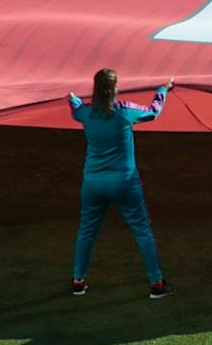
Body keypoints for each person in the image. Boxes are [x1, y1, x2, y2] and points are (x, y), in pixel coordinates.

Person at [67, 69, 172, 300]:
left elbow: (75, 108)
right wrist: (163, 90)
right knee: (142, 231)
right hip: (124, 183)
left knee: (86, 232)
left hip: (93, 183)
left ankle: (78, 281)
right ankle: (157, 283)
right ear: (115, 88)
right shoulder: (124, 111)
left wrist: (73, 98)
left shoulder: (85, 113)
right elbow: (154, 112)